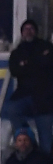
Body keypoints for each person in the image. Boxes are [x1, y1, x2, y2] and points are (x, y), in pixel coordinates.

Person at [4, 21, 53, 152]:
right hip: (23, 95)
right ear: (21, 32)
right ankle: (28, 137)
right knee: (11, 109)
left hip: (44, 100)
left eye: (31, 28)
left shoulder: (47, 46)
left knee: (46, 143)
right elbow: (15, 71)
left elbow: (49, 63)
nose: (28, 31)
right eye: (25, 29)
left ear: (36, 31)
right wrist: (37, 62)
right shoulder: (17, 52)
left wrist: (26, 64)